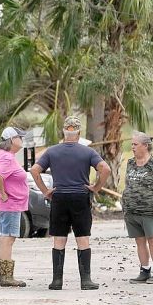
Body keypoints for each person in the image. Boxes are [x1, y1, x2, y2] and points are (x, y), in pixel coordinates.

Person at [30, 116, 112, 290]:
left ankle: (57, 281)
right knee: (82, 238)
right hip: (80, 197)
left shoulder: (52, 151)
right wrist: (96, 187)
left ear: (64, 132)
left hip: (59, 197)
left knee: (59, 239)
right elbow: (105, 169)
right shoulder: (87, 152)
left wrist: (45, 191)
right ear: (79, 133)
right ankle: (86, 280)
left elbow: (34, 169)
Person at [122, 131, 153, 284]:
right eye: (132, 144)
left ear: (145, 146)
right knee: (139, 241)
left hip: (149, 210)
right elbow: (128, 183)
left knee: (152, 239)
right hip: (131, 210)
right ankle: (144, 270)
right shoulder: (131, 163)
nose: (132, 147)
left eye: (135, 144)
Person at [0, 126, 29, 287]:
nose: (21, 139)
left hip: (11, 204)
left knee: (6, 238)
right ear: (11, 140)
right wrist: (3, 193)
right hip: (10, 204)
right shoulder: (6, 157)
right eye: (19, 137)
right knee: (8, 238)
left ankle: (5, 276)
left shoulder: (6, 156)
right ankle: (6, 277)